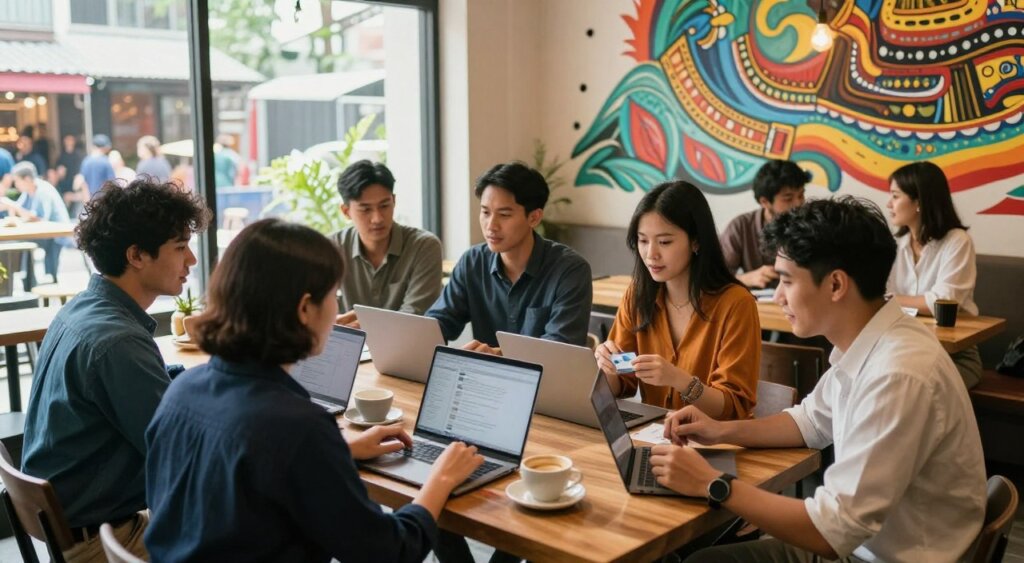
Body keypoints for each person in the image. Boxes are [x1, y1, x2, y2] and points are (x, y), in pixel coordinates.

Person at [653, 197, 986, 563]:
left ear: (836, 285)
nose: (777, 296)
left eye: (785, 280)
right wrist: (720, 430)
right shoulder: (873, 339)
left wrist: (711, 483)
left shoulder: (897, 374)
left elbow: (832, 531)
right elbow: (809, 421)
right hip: (862, 544)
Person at [144, 218, 483, 562]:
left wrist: (338, 453)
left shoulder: (182, 390)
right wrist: (439, 479)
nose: (337, 309)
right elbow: (389, 552)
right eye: (334, 296)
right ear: (305, 309)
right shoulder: (298, 427)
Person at [21, 177, 210, 562]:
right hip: (104, 539)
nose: (191, 260)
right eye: (180, 247)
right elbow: (185, 455)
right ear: (136, 255)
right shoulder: (117, 343)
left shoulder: (84, 310)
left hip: (82, 522)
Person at [594, 181, 760, 419]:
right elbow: (622, 384)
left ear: (696, 241)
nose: (651, 254)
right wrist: (607, 368)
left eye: (664, 242)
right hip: (656, 437)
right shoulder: (638, 294)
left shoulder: (736, 304)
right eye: (642, 240)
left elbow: (732, 408)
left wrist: (678, 379)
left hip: (715, 444)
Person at [425, 162, 592, 353]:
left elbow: (561, 347)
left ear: (534, 218)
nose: (491, 226)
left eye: (504, 215)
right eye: (485, 212)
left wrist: (499, 355)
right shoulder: (473, 262)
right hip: (483, 380)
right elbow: (439, 323)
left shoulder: (570, 270)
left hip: (546, 381)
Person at [886, 161, 982, 389]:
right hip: (906, 348)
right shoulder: (895, 245)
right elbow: (879, 294)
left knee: (909, 391)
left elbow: (943, 303)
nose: (889, 204)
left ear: (918, 201)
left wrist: (891, 300)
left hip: (954, 354)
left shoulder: (957, 241)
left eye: (895, 196)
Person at [331, 160, 442, 327]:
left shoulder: (423, 246)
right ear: (346, 211)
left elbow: (414, 319)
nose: (377, 218)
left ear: (394, 201)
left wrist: (365, 325)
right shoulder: (331, 248)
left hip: (408, 349)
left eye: (384, 206)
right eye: (366, 209)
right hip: (352, 350)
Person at [720, 159, 809, 288]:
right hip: (761, 306)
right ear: (765, 202)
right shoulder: (741, 227)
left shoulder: (811, 224)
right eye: (788, 198)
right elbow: (713, 278)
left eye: (801, 195)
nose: (798, 204)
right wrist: (745, 279)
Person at [0, 162, 72, 280]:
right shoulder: (28, 191)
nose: (16, 185)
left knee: (24, 242)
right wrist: (9, 206)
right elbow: (19, 209)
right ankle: (28, 280)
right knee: (23, 243)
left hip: (56, 235)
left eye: (17, 181)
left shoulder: (43, 190)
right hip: (45, 235)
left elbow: (41, 219)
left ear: (27, 179)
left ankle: (34, 280)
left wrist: (12, 205)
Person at [70, 133, 116, 205]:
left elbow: (82, 182)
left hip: (90, 200)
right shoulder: (105, 161)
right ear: (104, 148)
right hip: (103, 200)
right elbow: (111, 182)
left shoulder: (86, 161)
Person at [54, 134, 85, 198]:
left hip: (76, 185)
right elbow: (59, 172)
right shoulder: (61, 157)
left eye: (71, 140)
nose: (69, 142)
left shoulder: (79, 155)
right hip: (65, 186)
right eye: (67, 140)